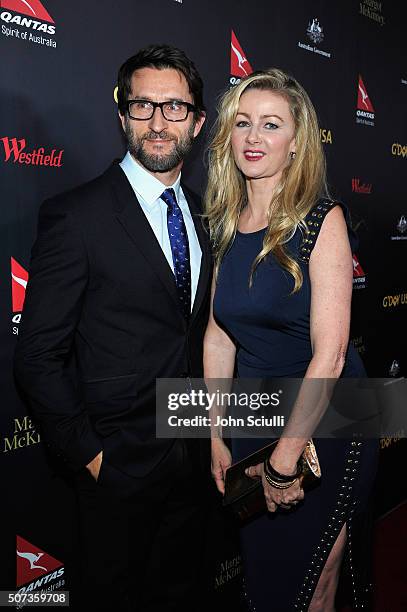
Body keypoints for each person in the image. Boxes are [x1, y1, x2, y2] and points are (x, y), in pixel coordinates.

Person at [14, 44, 212, 611]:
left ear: (197, 122)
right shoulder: (76, 216)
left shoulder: (205, 214)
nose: (157, 121)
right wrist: (94, 458)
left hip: (194, 463)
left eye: (174, 107)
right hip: (117, 471)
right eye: (143, 105)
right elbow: (37, 356)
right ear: (122, 114)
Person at [203, 69, 378, 611]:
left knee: (311, 586)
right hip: (253, 419)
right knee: (265, 581)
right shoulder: (227, 222)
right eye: (243, 123)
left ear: (296, 142)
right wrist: (213, 435)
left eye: (271, 125)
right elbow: (217, 336)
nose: (254, 137)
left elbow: (331, 351)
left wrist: (286, 456)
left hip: (329, 422)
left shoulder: (323, 221)